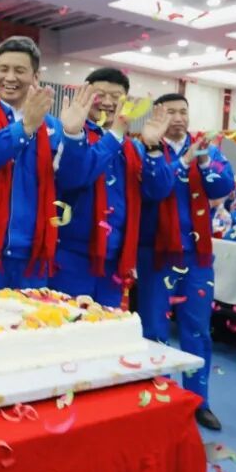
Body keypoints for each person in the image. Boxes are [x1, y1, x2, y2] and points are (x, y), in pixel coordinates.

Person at [0, 36, 97, 292]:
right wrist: (25, 127)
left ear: (35, 76)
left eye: (19, 70)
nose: (10, 77)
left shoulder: (53, 126)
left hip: (32, 255)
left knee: (31, 319)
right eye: (3, 69)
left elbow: (72, 180)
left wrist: (73, 135)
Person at [135, 92, 235, 431]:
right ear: (157, 115)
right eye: (170, 112)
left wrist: (202, 162)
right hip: (156, 252)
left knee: (197, 330)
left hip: (197, 255)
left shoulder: (208, 150)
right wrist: (182, 161)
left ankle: (198, 401)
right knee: (154, 329)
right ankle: (157, 397)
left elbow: (222, 188)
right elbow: (153, 189)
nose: (178, 118)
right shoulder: (144, 148)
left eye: (182, 112)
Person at [51, 68, 174, 307]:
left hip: (115, 259)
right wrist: (115, 134)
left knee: (108, 327)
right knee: (68, 323)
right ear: (86, 95)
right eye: (100, 95)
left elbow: (158, 191)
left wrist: (152, 147)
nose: (108, 102)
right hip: (70, 257)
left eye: (116, 96)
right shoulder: (68, 134)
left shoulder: (133, 148)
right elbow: (74, 177)